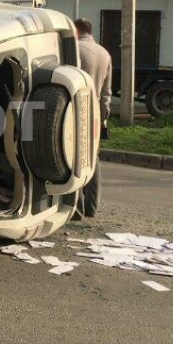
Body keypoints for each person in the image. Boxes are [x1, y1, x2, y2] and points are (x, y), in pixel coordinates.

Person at [73, 18, 112, 218]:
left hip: (75, 109)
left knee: (72, 156)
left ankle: (76, 208)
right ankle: (91, 207)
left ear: (76, 31)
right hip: (95, 111)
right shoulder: (104, 53)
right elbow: (107, 92)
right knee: (92, 157)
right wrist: (104, 117)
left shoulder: (75, 50)